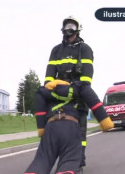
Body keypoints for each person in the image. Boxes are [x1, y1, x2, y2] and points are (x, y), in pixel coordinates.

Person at [24, 81, 114, 174]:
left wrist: (41, 129)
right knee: (69, 160)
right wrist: (105, 122)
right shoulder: (80, 87)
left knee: (42, 160)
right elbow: (94, 102)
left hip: (51, 126)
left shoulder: (45, 91)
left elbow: (40, 111)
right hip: (70, 125)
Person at [44, 16, 94, 168]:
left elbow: (86, 78)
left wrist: (73, 89)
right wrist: (50, 90)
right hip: (60, 97)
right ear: (63, 30)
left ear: (77, 31)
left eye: (72, 28)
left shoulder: (85, 49)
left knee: (79, 130)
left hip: (79, 96)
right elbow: (49, 76)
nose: (69, 32)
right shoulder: (56, 50)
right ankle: (65, 158)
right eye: (67, 28)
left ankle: (78, 160)